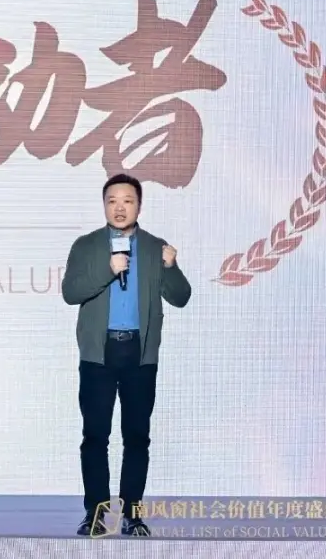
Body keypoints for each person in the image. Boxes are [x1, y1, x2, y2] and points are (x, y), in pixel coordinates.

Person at [61, 173, 192, 537]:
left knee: (136, 437)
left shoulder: (154, 247)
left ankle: (132, 514)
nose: (119, 208)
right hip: (98, 354)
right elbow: (71, 292)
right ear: (104, 205)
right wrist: (108, 270)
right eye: (112, 201)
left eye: (127, 201)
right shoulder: (86, 245)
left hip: (139, 353)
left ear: (139, 205)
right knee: (95, 436)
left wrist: (171, 267)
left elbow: (181, 297)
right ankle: (97, 514)